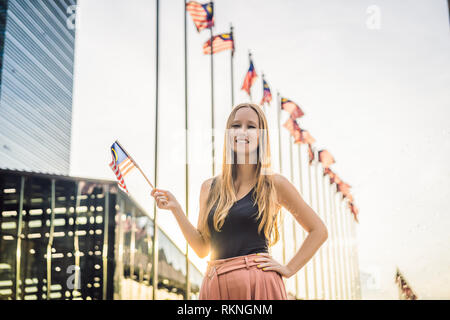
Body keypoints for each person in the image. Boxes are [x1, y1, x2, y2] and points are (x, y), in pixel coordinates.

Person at [151, 102, 328, 300]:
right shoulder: (208, 188)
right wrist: (177, 210)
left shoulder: (274, 184)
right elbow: (202, 249)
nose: (242, 131)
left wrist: (288, 268)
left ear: (261, 136)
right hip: (214, 285)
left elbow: (319, 230)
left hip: (259, 286)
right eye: (236, 125)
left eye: (251, 126)